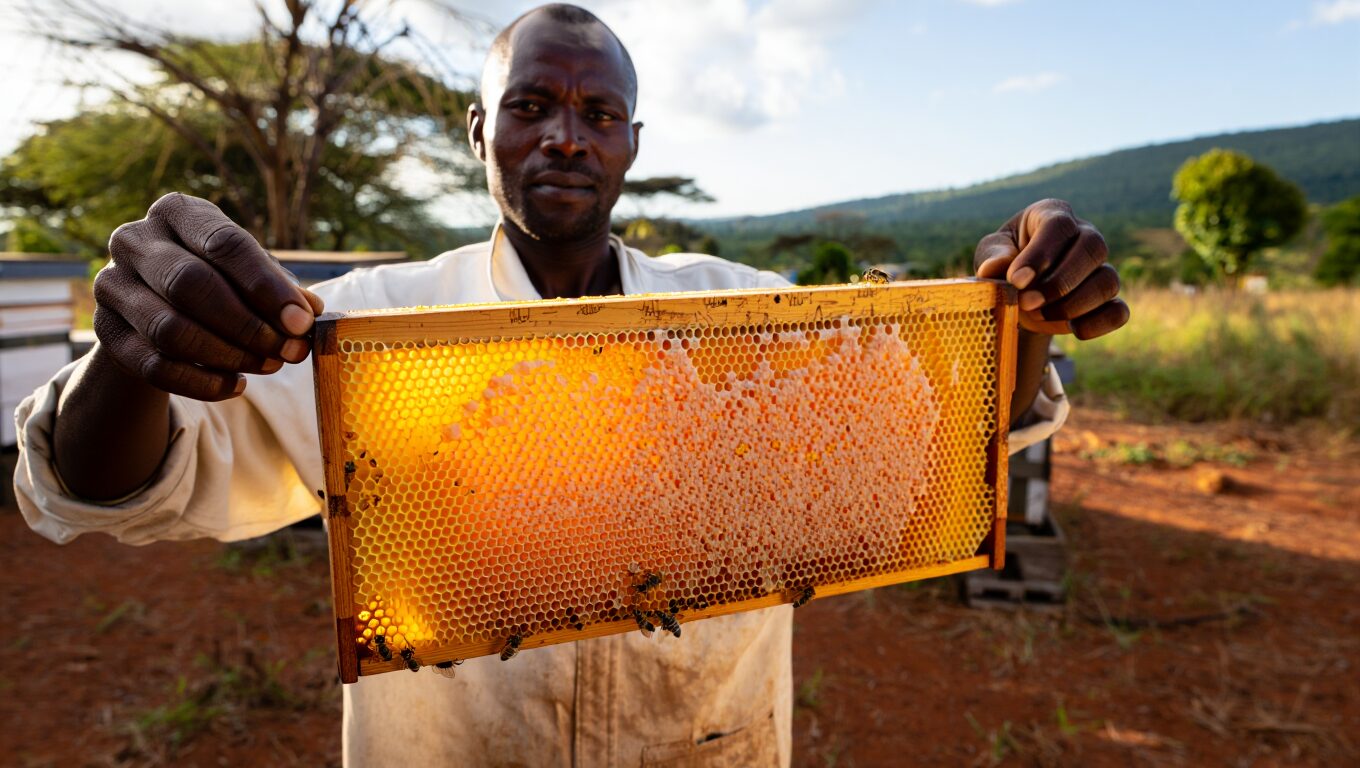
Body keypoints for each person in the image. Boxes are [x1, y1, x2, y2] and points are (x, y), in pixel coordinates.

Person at [14, 4, 1128, 766]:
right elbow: (111, 486)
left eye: (597, 115)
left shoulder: (744, 315)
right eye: (530, 107)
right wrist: (127, 357)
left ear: (632, 144)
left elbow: (934, 446)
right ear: (478, 131)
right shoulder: (372, 329)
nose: (564, 138)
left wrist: (1016, 313)